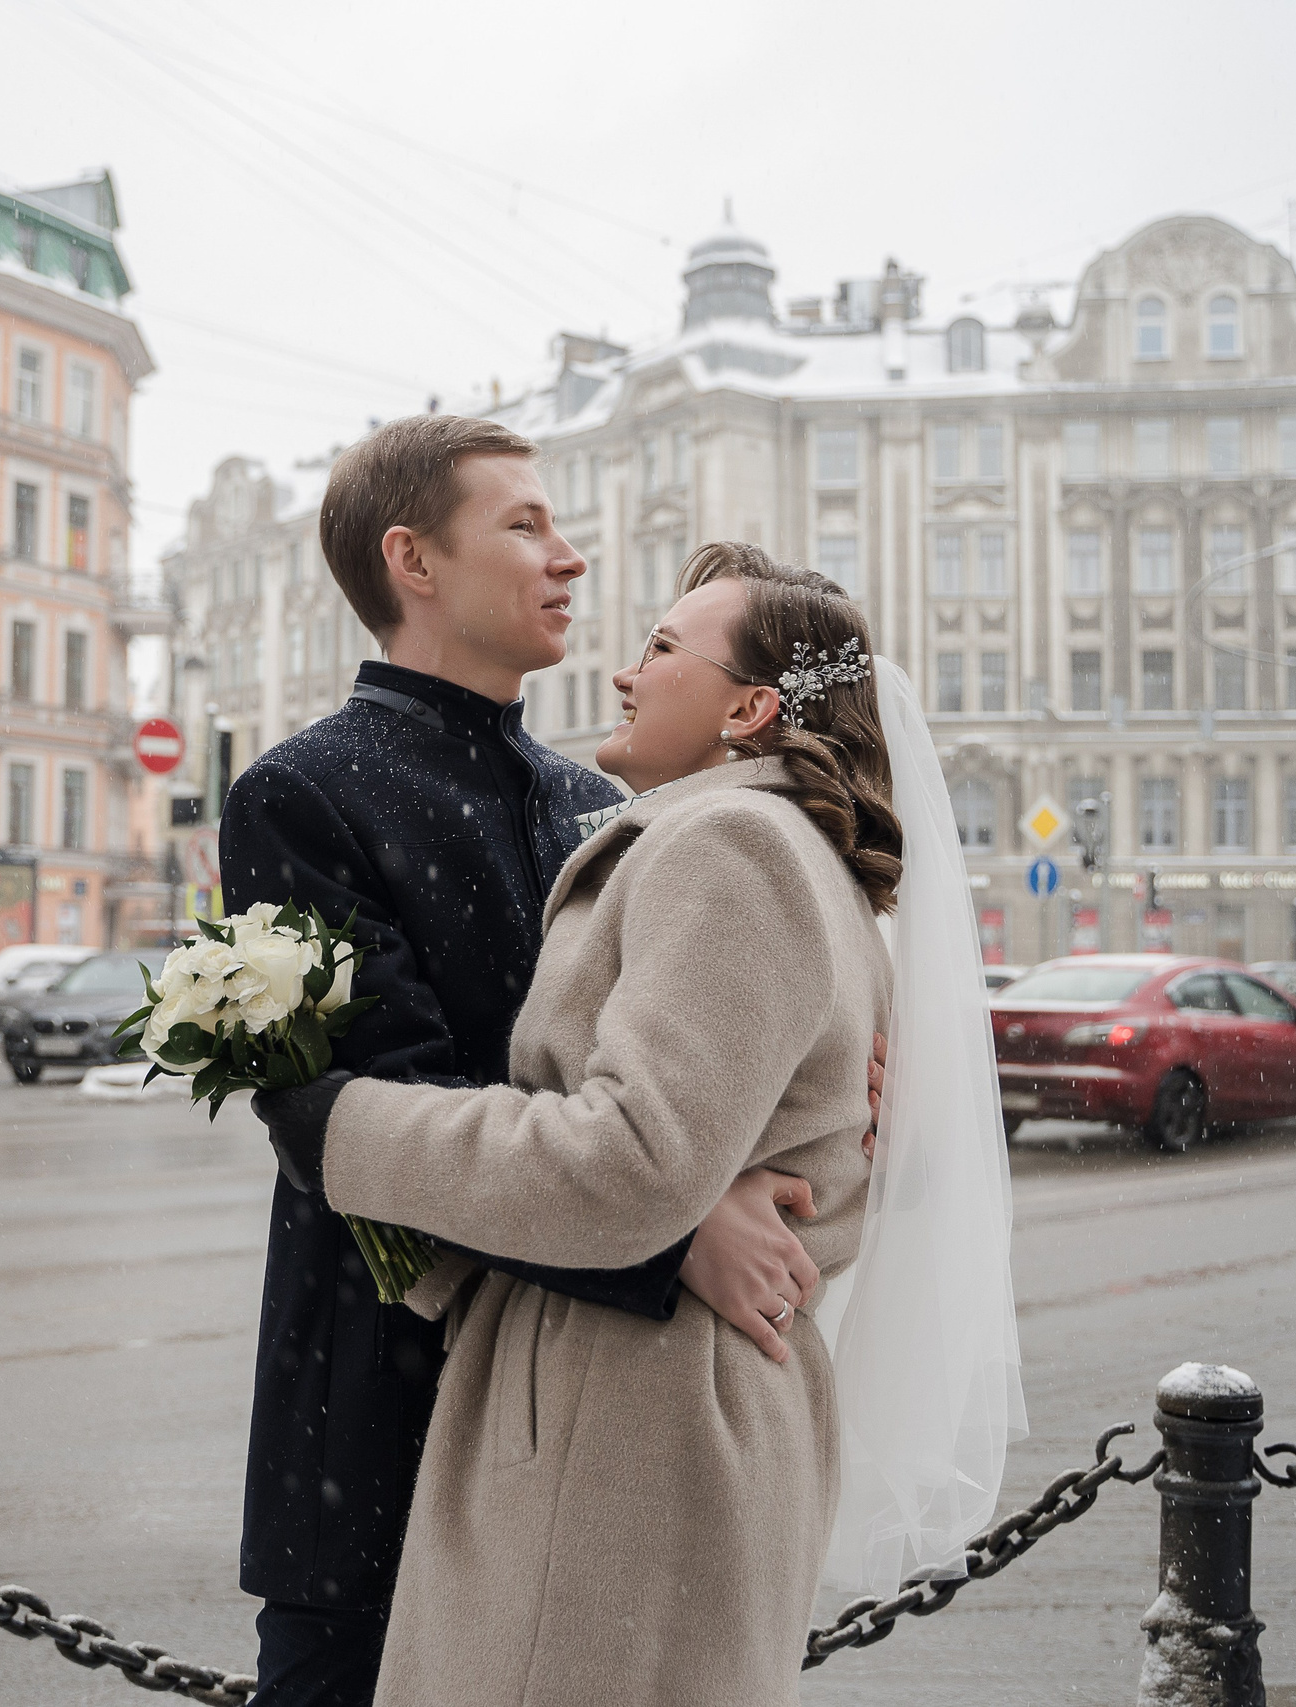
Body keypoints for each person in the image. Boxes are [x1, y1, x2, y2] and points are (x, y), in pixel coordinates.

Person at [256, 545, 1025, 1707]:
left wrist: (344, 1129)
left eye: (663, 649)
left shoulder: (731, 848)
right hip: (653, 1400)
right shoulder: (772, 851)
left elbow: (626, 1165)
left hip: (624, 1416)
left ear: (748, 707)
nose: (625, 672)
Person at [218, 419, 831, 1707]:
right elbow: (380, 1105)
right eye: (526, 527)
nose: (572, 556)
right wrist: (672, 1228)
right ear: (414, 561)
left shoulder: (598, 801)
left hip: (586, 1427)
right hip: (375, 1410)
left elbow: (680, 1081)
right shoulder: (302, 793)